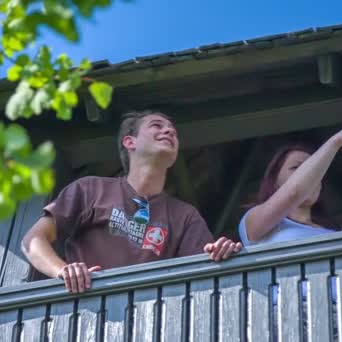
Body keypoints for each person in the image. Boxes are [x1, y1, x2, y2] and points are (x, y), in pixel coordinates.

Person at [22, 110, 242, 293]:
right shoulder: (90, 189)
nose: (169, 131)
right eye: (157, 125)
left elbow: (207, 276)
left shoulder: (185, 216)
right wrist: (63, 270)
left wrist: (222, 252)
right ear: (130, 141)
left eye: (172, 130)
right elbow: (32, 240)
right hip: (87, 313)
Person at [239, 109, 342, 246]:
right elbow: (294, 192)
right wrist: (336, 142)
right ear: (275, 182)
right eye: (296, 168)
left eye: (314, 173)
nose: (309, 177)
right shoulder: (253, 221)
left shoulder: (339, 231)